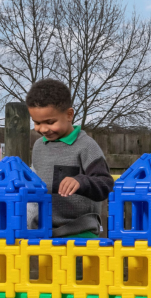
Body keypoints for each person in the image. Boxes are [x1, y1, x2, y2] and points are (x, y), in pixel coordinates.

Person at [25, 78, 113, 238]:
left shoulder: (86, 146)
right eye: (36, 123)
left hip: (79, 233)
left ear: (69, 114)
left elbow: (105, 184)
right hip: (43, 232)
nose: (43, 129)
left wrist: (81, 181)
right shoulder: (38, 146)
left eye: (50, 122)